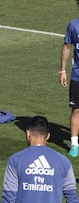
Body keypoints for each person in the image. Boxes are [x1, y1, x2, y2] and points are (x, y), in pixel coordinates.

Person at [1, 116, 79, 203]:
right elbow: (72, 197)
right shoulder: (64, 162)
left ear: (28, 133)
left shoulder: (15, 160)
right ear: (48, 136)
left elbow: (8, 197)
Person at [59, 3, 79, 157]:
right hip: (77, 76)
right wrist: (63, 70)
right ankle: (74, 144)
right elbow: (67, 47)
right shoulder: (73, 25)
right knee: (76, 110)